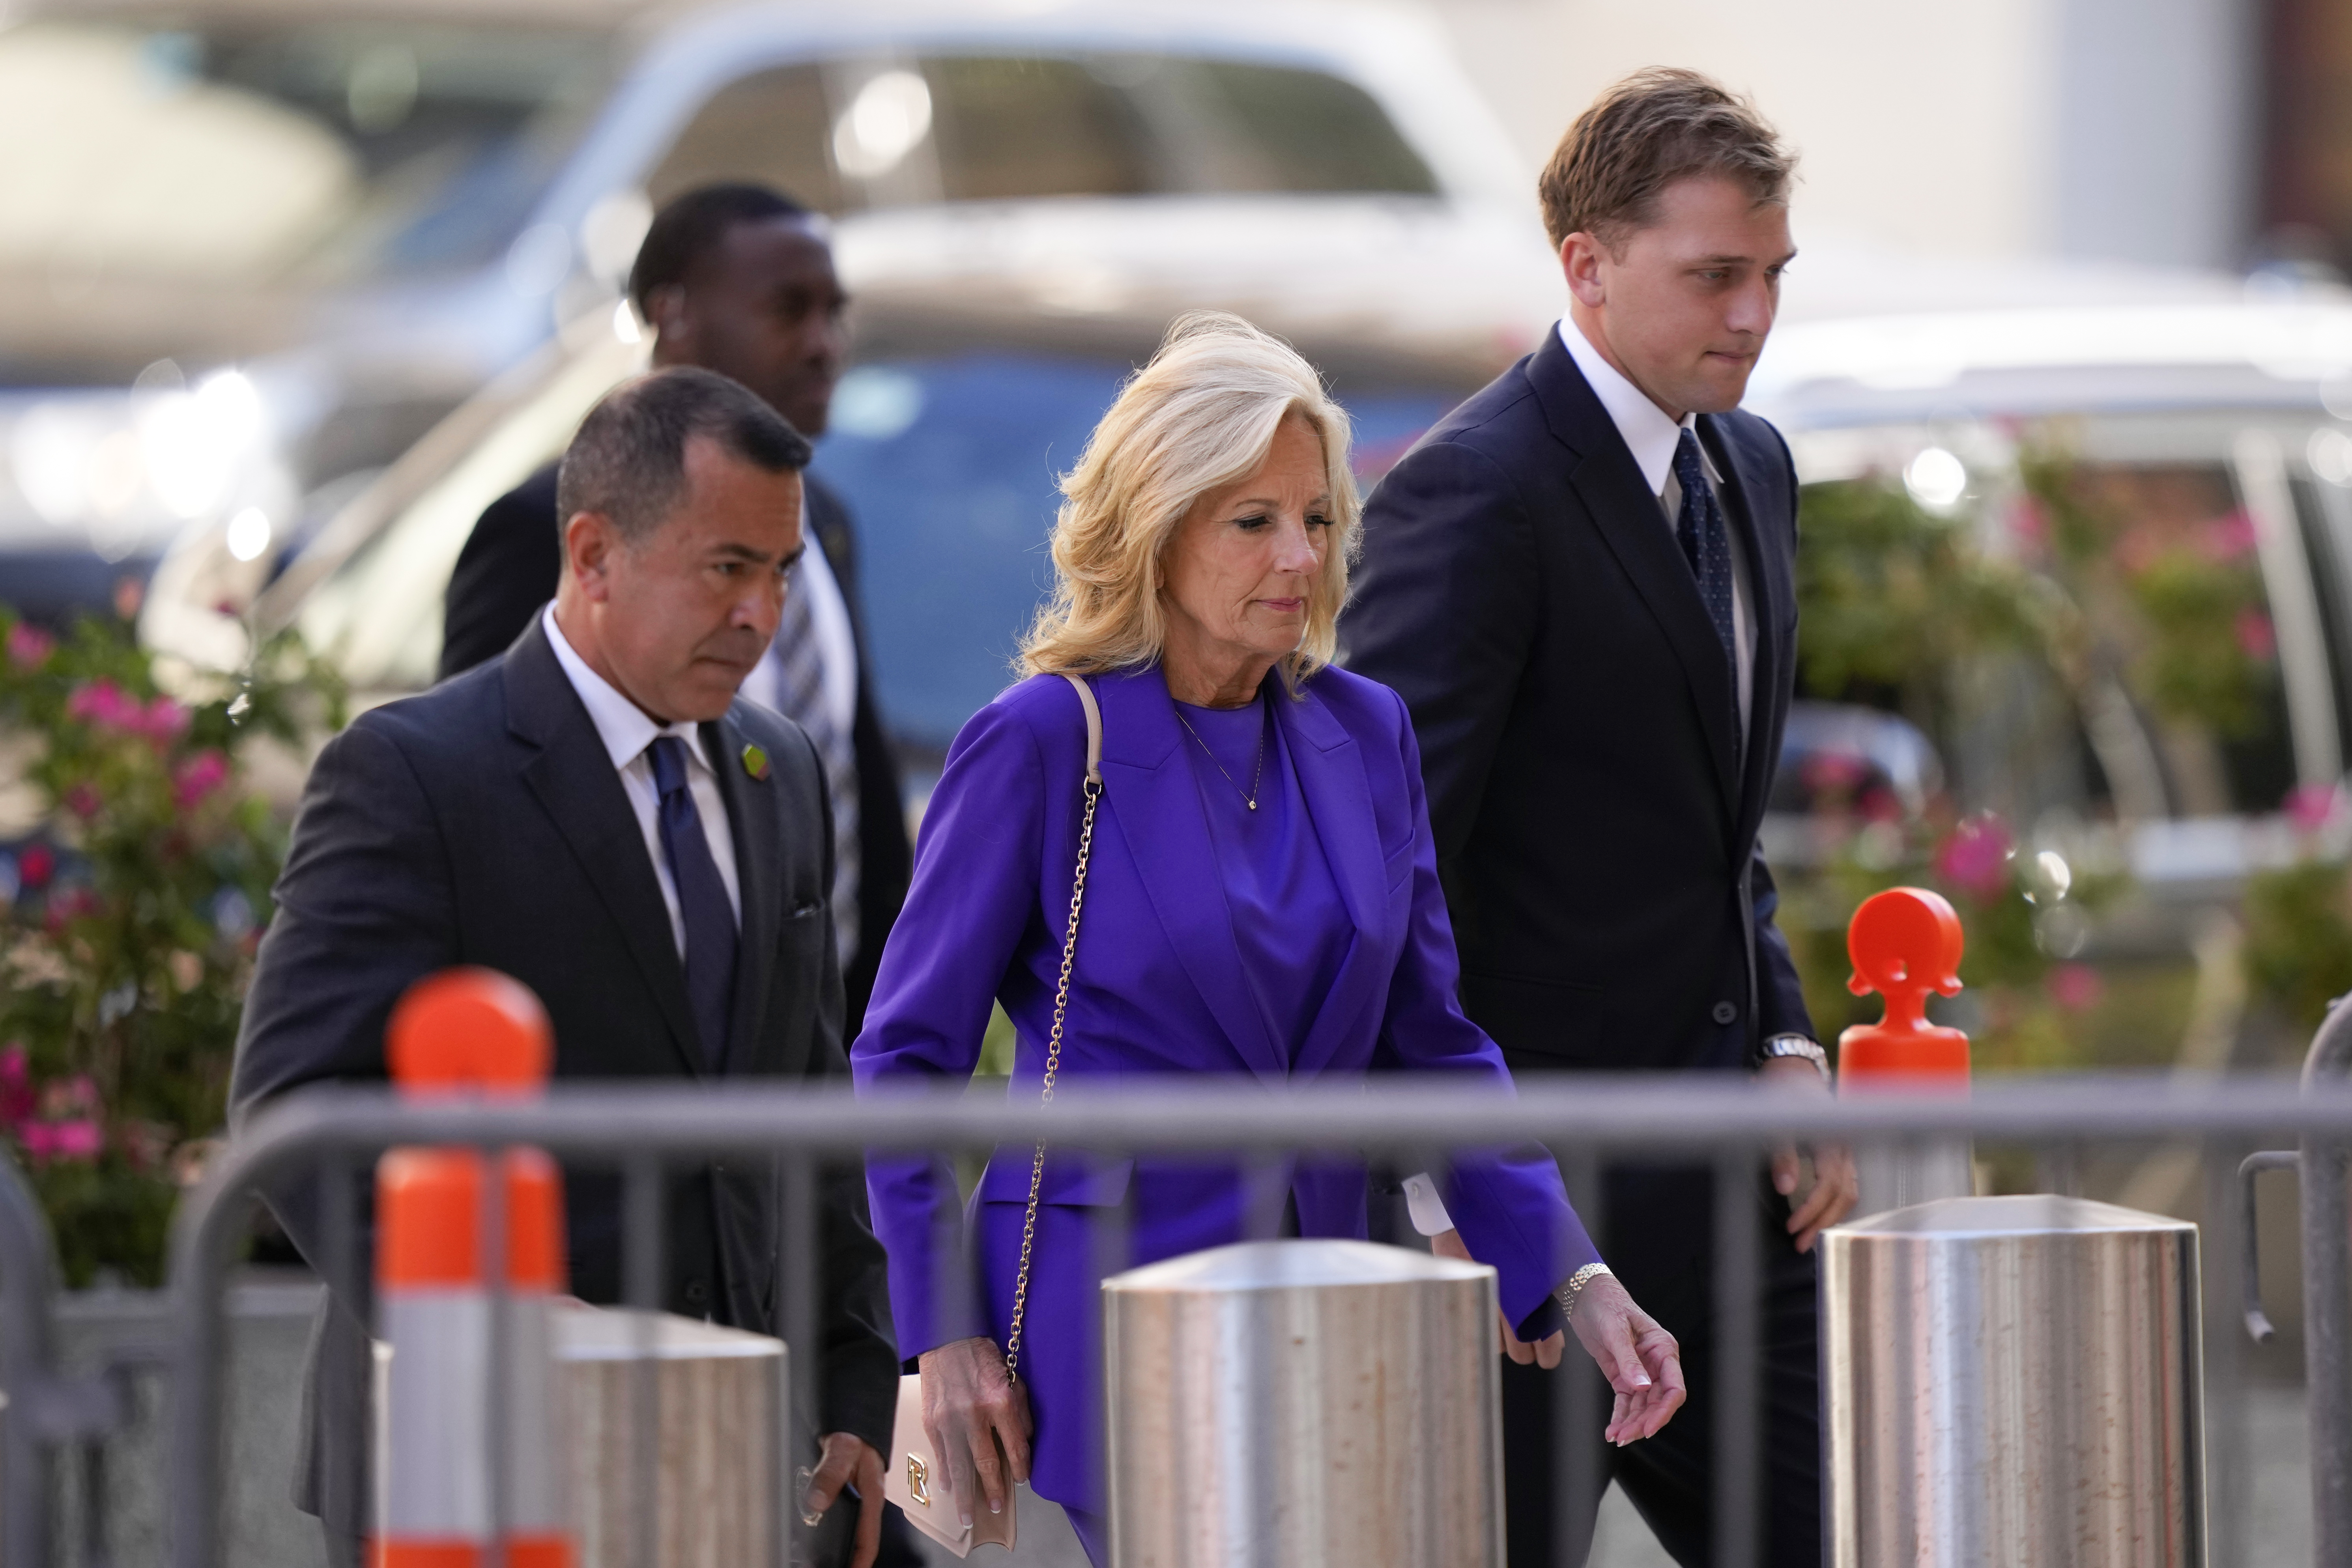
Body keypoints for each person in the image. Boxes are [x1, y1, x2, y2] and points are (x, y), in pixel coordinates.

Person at [851, 313, 1689, 1567]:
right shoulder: (1040, 742)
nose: (1300, 556)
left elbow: (1433, 1040)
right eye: (1253, 521)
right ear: (1157, 530)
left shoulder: (1367, 732)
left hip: (1329, 1298)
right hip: (1116, 1312)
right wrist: (944, 1331)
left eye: (1318, 517)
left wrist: (1573, 1273)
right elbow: (903, 1060)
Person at [235, 368, 899, 1568]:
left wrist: (853, 1383)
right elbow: (295, 1104)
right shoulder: (414, 773)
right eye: (726, 568)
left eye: (781, 573)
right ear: (592, 555)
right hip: (470, 1465)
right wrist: (488, 1323)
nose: (761, 615)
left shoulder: (780, 770)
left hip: (723, 1454)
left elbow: (806, 1103)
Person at [1339, 69, 1858, 1567]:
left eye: (1773, 274)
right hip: (1527, 1213)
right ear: (1587, 264)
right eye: (1715, 275)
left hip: (1732, 1205)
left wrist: (1783, 1036)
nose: (1754, 315)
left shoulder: (1750, 463)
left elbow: (1711, 826)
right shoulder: (1472, 493)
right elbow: (1390, 868)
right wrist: (1440, 1182)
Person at [440, 183, 911, 1035]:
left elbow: (854, 789)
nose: (823, 344)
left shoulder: (825, 524)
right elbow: (485, 804)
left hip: (819, 1059)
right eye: (788, 309)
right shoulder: (543, 530)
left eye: (834, 313)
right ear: (674, 315)